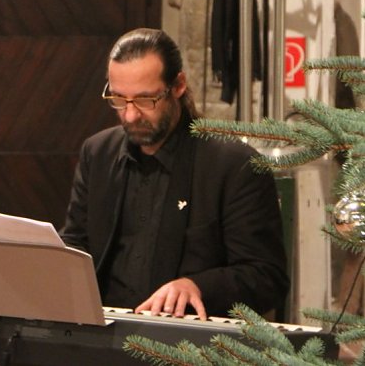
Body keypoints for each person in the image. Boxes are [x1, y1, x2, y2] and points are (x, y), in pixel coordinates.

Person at [60, 28, 289, 320]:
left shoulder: (233, 166)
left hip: (187, 346)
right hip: (103, 332)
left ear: (178, 85)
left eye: (145, 100)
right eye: (119, 99)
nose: (130, 115)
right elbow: (76, 244)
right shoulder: (98, 153)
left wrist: (196, 286)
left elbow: (267, 277)